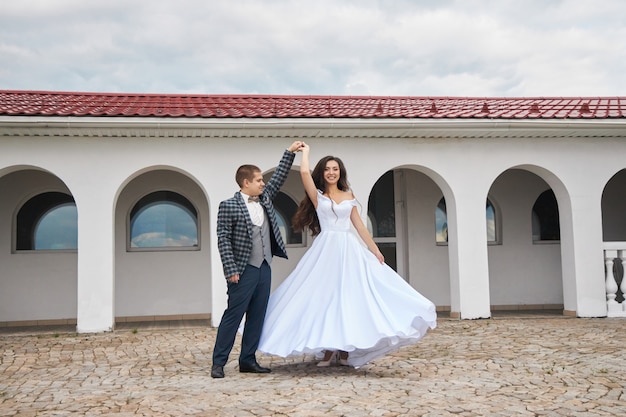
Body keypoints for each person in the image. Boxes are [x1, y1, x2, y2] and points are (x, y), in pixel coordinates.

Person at [257, 143, 437, 368]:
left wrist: (375, 250)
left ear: (340, 173)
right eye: (327, 169)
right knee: (325, 298)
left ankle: (343, 350)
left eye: (335, 169)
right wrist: (304, 152)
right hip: (325, 251)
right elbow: (304, 172)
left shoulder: (349, 195)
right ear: (322, 173)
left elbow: (360, 227)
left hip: (348, 249)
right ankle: (328, 350)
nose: (331, 172)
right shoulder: (318, 196)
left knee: (347, 299)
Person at [211, 141, 303, 379]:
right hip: (241, 270)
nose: (264, 183)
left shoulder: (265, 199)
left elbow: (279, 178)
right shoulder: (228, 206)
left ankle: (248, 360)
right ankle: (218, 363)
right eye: (259, 180)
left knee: (257, 316)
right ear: (246, 183)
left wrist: (289, 153)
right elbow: (223, 239)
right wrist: (230, 270)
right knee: (233, 315)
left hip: (264, 268)